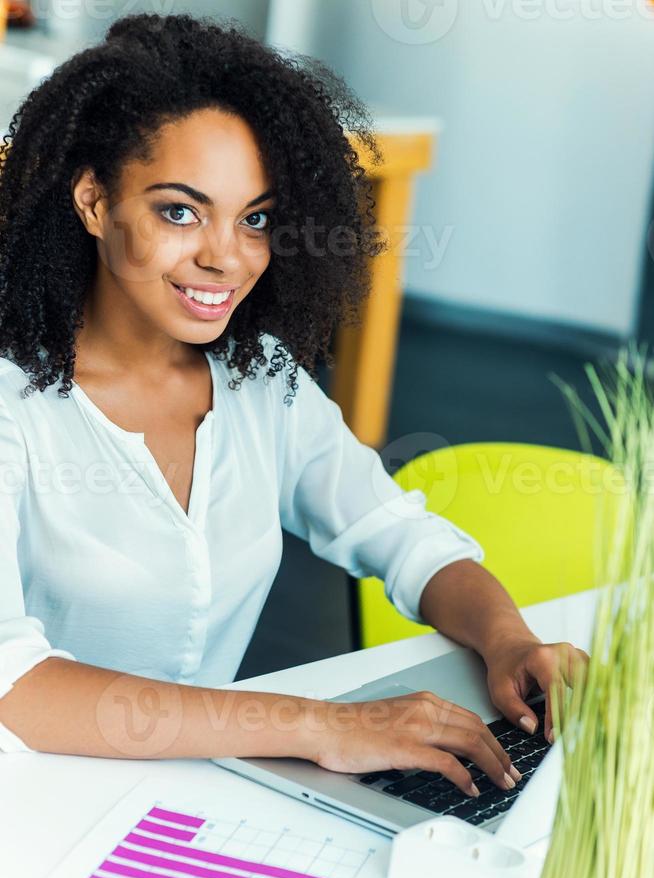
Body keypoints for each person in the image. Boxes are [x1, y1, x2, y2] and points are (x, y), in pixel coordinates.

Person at [0, 12, 587, 799]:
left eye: (256, 219)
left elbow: (396, 532)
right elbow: (16, 689)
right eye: (180, 211)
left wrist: (508, 637)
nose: (224, 255)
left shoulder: (258, 380)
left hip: (193, 795)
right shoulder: (15, 409)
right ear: (95, 204)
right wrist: (319, 724)